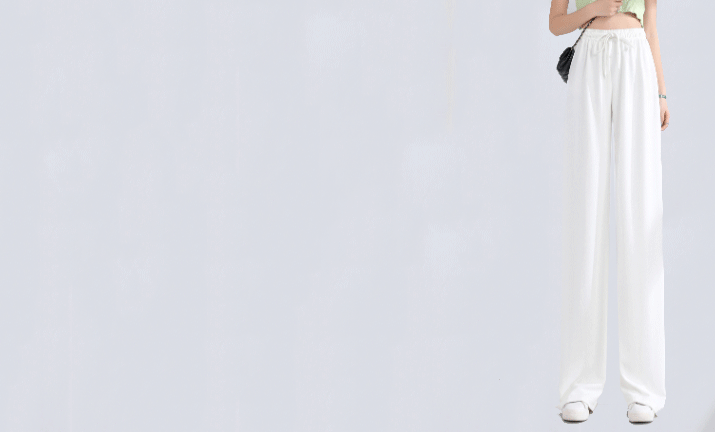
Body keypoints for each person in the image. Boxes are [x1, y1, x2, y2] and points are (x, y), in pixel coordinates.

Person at [548, 0, 669, 424]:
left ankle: (644, 389)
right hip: (590, 64)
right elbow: (555, 23)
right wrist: (593, 9)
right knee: (585, 214)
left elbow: (650, 27)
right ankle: (579, 386)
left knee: (641, 215)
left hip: (636, 61)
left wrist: (661, 91)